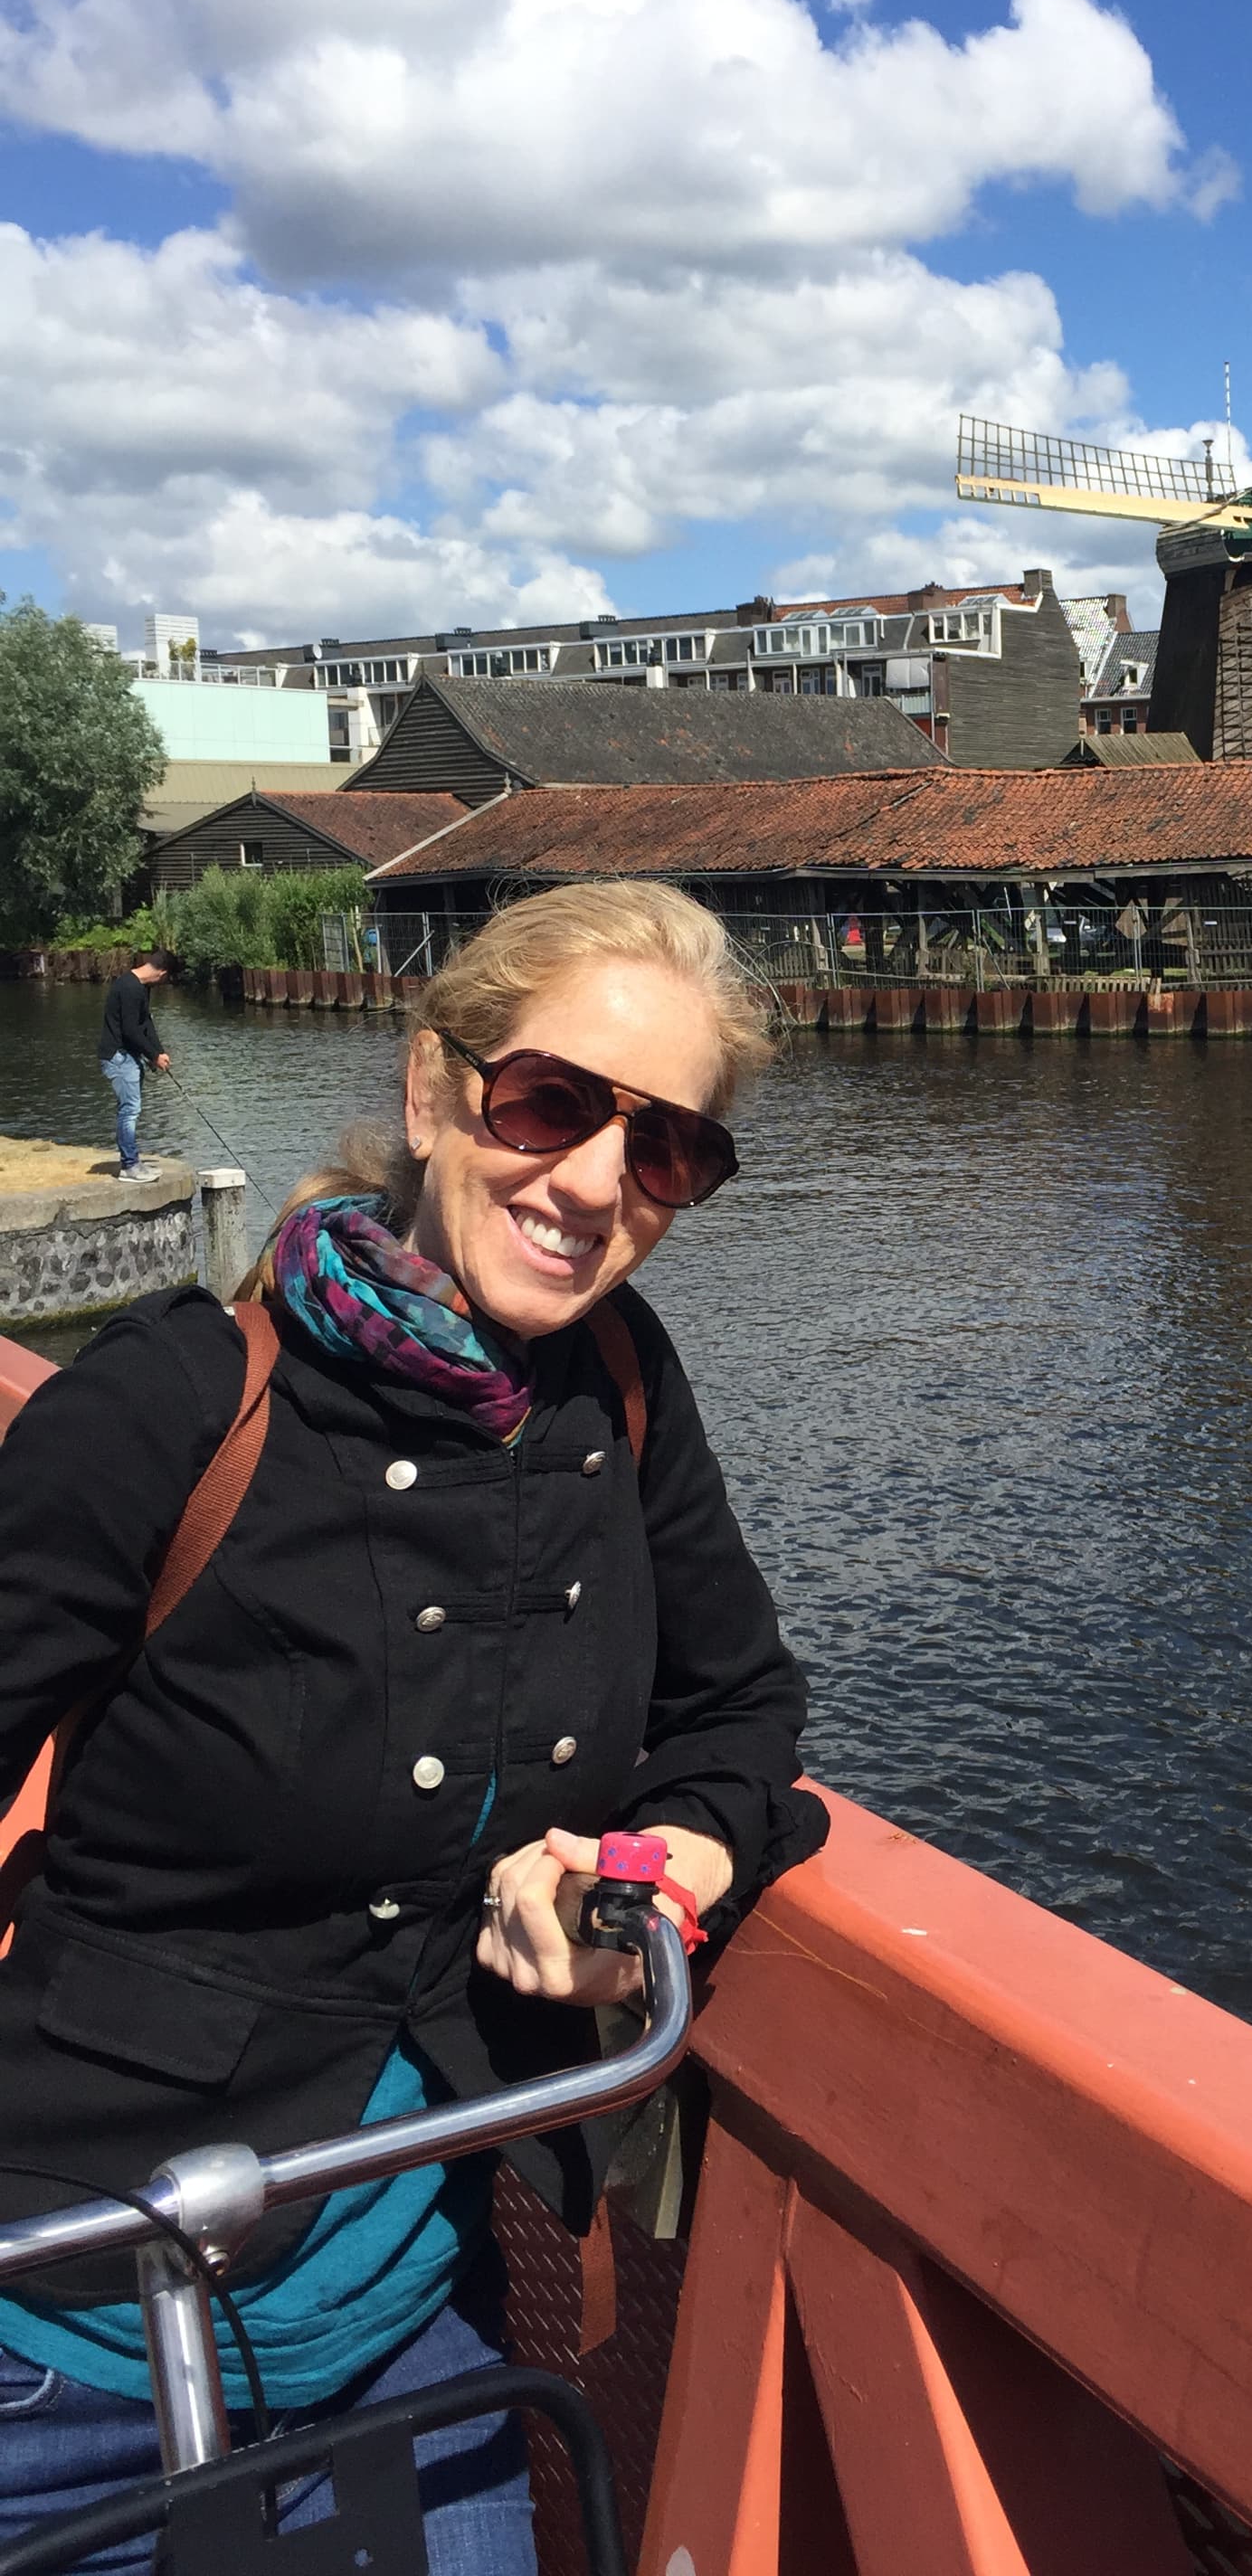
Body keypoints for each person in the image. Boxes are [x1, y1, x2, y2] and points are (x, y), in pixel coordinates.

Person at [0, 881, 828, 2573]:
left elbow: (740, 1700)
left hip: (409, 2322)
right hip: (62, 2322)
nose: (594, 1181)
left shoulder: (618, 1386)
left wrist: (646, 1877)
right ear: (435, 1086)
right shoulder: (171, 1404)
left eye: (665, 1148)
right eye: (552, 1102)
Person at [95, 952, 174, 1175]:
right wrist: (152, 1055)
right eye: (166, 980)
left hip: (130, 1056)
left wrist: (158, 1052)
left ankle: (132, 1161)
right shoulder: (129, 988)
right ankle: (129, 1165)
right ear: (162, 973)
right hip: (118, 1056)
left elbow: (145, 1022)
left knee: (130, 1109)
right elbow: (130, 1030)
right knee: (129, 1110)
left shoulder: (141, 987)